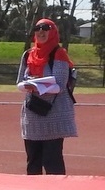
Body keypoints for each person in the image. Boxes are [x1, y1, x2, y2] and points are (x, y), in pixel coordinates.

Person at [17, 18, 77, 175]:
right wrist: (30, 85)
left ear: (53, 32)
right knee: (33, 161)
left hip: (53, 115)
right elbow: (19, 83)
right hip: (32, 115)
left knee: (52, 161)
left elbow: (60, 84)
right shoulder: (27, 55)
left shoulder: (59, 53)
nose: (41, 32)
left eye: (45, 28)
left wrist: (35, 84)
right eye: (37, 29)